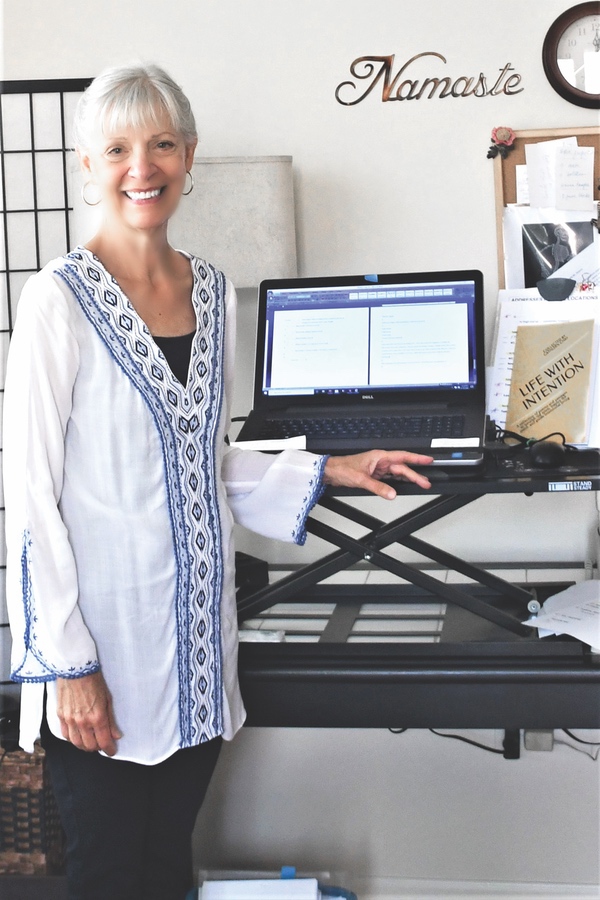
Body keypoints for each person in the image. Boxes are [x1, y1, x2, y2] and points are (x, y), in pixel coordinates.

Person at [3, 63, 433, 900]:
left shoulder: (210, 289)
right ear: (86, 165)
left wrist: (328, 467)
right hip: (105, 648)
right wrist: (68, 665)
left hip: (196, 645)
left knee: (167, 866)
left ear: (188, 156)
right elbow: (31, 496)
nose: (143, 166)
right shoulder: (56, 301)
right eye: (119, 147)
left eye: (162, 144)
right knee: (111, 876)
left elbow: (193, 458)